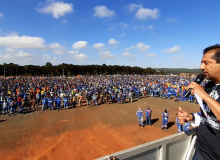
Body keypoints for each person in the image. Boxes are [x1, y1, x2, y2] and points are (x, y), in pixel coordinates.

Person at [177, 44, 220, 160]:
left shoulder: (204, 91)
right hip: (202, 151)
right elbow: (210, 116)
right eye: (201, 62)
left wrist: (204, 96)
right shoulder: (209, 85)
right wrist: (190, 116)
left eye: (206, 63)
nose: (201, 67)